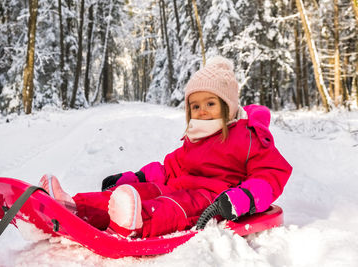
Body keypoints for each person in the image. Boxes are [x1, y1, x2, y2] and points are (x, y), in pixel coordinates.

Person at [39, 56, 292, 238]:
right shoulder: (194, 137)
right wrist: (134, 178)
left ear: (228, 107)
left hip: (212, 198)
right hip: (176, 185)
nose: (201, 111)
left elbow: (270, 175)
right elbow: (169, 167)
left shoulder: (249, 137)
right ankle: (71, 207)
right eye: (195, 106)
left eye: (210, 104)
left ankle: (135, 221)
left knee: (172, 206)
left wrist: (243, 198)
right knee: (143, 191)